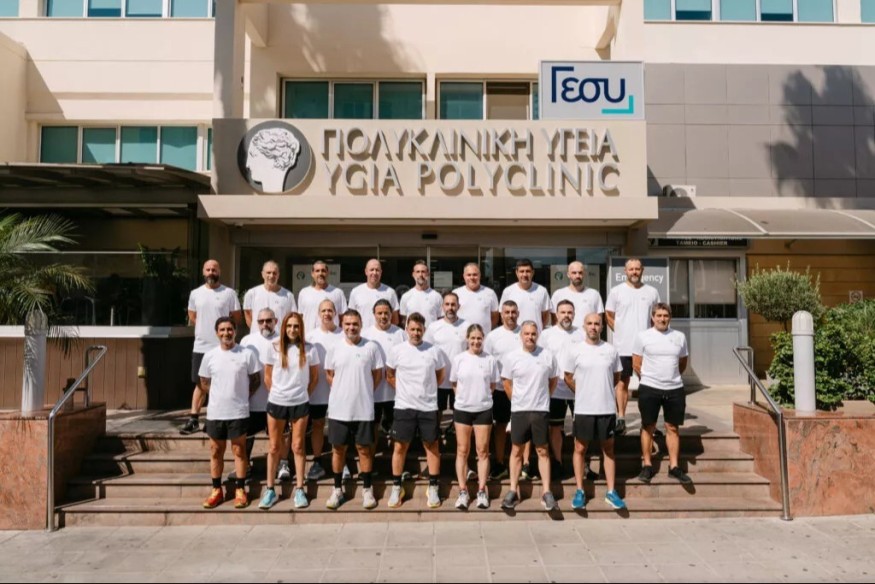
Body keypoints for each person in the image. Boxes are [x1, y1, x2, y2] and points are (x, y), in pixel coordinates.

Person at [564, 312, 626, 511]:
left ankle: (611, 492)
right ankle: (580, 491)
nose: (593, 327)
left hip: (606, 408)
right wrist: (583, 391)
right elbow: (567, 376)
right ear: (584, 326)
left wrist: (602, 390)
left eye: (597, 323)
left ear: (602, 327)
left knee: (608, 449)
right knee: (580, 449)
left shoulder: (610, 350)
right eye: (589, 323)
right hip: (584, 409)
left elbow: (616, 376)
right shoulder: (575, 350)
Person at [386, 312, 449, 509]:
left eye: (419, 329)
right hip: (404, 406)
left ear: (424, 330)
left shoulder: (434, 351)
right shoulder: (397, 351)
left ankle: (433, 486)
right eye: (412, 329)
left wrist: (426, 391)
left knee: (432, 446)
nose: (415, 333)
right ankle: (397, 487)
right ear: (406, 329)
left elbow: (440, 375)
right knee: (399, 447)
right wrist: (404, 390)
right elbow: (389, 374)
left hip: (428, 407)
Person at [323, 309, 384, 510]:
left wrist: (362, 391)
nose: (351, 327)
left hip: (363, 409)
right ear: (342, 325)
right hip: (339, 409)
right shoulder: (334, 347)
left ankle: (367, 489)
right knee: (338, 449)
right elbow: (329, 374)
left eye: (355, 324)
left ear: (361, 325)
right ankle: (337, 489)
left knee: (364, 450)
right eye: (347, 324)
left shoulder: (371, 347)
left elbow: (376, 376)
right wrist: (342, 390)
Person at [199, 317, 261, 510]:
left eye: (229, 329)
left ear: (235, 331)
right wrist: (219, 396)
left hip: (238, 412)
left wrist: (242, 396)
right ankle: (216, 490)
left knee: (239, 450)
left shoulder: (247, 354)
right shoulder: (209, 356)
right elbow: (204, 382)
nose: (226, 333)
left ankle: (240, 490)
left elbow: (256, 380)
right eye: (222, 330)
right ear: (217, 332)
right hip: (216, 412)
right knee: (216, 451)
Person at [260, 313, 320, 510]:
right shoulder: (274, 347)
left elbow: (314, 378)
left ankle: (300, 489)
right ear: (283, 328)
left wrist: (302, 394)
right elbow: (267, 376)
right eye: (289, 326)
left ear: (301, 328)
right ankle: (270, 490)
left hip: (300, 403)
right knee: (274, 447)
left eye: (296, 326)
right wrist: (278, 393)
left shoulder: (310, 349)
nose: (292, 330)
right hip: (277, 402)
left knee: (298, 446)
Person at [500, 321, 560, 511]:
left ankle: (547, 492)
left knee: (542, 450)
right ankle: (512, 490)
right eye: (526, 334)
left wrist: (544, 397)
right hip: (519, 411)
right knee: (516, 450)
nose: (530, 337)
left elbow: (553, 380)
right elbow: (506, 382)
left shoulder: (547, 356)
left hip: (540, 410)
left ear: (537, 335)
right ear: (521, 336)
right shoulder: (512, 357)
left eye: (533, 334)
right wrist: (517, 401)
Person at [181, 260, 242, 435]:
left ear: (219, 271)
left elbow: (236, 317)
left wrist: (224, 335)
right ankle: (194, 419)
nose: (211, 272)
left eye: (214, 269)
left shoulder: (229, 293)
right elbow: (193, 316)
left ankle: (213, 419)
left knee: (221, 383)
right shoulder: (195, 293)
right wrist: (205, 329)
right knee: (200, 384)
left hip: (222, 347)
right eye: (208, 269)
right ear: (203, 272)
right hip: (201, 346)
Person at [633, 303, 691, 485]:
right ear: (652, 317)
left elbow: (682, 362)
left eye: (665, 315)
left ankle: (674, 467)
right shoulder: (643, 336)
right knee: (648, 426)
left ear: (670, 317)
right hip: (649, 388)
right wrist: (650, 379)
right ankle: (647, 465)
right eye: (658, 315)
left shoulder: (679, 337)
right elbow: (636, 363)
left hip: (674, 389)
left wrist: (670, 377)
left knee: (672, 427)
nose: (662, 319)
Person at [605, 258, 660, 435]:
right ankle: (621, 419)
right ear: (625, 271)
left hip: (646, 349)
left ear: (642, 270)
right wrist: (620, 331)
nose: (634, 272)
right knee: (622, 383)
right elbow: (609, 315)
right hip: (623, 347)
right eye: (631, 269)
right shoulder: (616, 291)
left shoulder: (652, 292)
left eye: (637, 269)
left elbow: (656, 316)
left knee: (648, 385)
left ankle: (649, 422)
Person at [450, 324, 499, 510]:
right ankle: (463, 491)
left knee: (482, 451)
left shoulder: (490, 360)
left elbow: (492, 385)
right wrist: (464, 398)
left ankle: (481, 490)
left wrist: (481, 398)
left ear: (483, 339)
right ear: (467, 339)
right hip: (463, 409)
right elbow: (454, 383)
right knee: (462, 450)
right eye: (473, 338)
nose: (476, 341)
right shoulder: (459, 359)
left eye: (479, 338)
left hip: (483, 409)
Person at [537, 299, 584, 480]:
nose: (566, 316)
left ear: (574, 314)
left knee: (581, 427)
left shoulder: (581, 333)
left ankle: (583, 463)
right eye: (563, 312)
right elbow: (541, 360)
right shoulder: (547, 335)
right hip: (556, 389)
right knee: (555, 427)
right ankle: (557, 462)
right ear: (556, 314)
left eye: (569, 312)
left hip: (578, 388)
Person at [236, 308, 279, 483]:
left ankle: (280, 466)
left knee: (277, 438)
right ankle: (245, 467)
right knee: (248, 437)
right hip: (252, 399)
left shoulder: (282, 339)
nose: (265, 324)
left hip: (276, 400)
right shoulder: (247, 340)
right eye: (261, 321)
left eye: (268, 320)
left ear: (275, 321)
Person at [362, 299, 408, 455]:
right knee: (372, 428)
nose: (383, 316)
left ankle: (395, 464)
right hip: (373, 392)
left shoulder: (400, 334)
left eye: (386, 313)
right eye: (379, 313)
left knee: (396, 428)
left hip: (395, 392)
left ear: (391, 314)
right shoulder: (366, 334)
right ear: (374, 314)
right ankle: (371, 461)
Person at [483, 300, 521, 480]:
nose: (510, 315)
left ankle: (524, 465)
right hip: (500, 388)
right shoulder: (493, 336)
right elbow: (486, 363)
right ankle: (499, 463)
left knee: (523, 427)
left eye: (513, 312)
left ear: (518, 313)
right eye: (507, 312)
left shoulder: (524, 332)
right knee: (500, 426)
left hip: (523, 389)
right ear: (501, 314)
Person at [306, 299, 344, 482]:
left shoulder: (344, 333)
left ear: (335, 313)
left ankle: (342, 462)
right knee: (318, 424)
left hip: (340, 389)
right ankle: (317, 461)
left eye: (330, 310)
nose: (327, 314)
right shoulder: (310, 336)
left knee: (341, 426)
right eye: (323, 310)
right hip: (317, 389)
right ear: (318, 314)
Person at [423, 292, 468, 437]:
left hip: (459, 379)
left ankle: (456, 435)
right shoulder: (434, 327)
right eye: (447, 304)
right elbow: (426, 351)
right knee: (437, 410)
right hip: (439, 378)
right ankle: (434, 436)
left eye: (453, 304)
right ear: (442, 307)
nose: (450, 308)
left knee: (459, 410)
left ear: (458, 306)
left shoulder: (466, 326)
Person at [499, 259, 551, 332]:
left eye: (528, 271)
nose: (525, 274)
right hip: (514, 335)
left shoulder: (542, 291)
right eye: (521, 271)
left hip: (535, 335)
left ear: (533, 272)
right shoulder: (508, 291)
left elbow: (545, 316)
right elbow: (503, 315)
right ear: (516, 273)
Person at [348, 258, 400, 330]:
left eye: (377, 270)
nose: (374, 273)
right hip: (362, 334)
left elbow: (395, 320)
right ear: (366, 272)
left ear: (381, 272)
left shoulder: (390, 292)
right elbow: (351, 317)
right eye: (372, 270)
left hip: (384, 335)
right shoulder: (356, 292)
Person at [242, 260, 296, 329]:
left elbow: (292, 318)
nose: (271, 276)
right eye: (268, 272)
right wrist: (256, 331)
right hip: (258, 335)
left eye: (274, 273)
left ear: (278, 275)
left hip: (279, 335)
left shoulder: (288, 296)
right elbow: (248, 316)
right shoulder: (252, 293)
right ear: (262, 274)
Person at [550, 261, 604, 328]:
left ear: (584, 274)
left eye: (580, 273)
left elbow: (599, 319)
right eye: (574, 273)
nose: (577, 276)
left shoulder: (594, 294)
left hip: (586, 334)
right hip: (565, 334)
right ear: (568, 274)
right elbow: (554, 320)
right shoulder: (558, 294)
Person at [298, 260, 347, 333]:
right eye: (317, 271)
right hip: (309, 337)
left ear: (327, 273)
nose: (320, 273)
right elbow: (300, 318)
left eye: (323, 271)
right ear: (312, 274)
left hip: (332, 336)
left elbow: (343, 318)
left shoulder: (338, 293)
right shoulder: (304, 293)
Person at [453, 263, 500, 332]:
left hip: (484, 337)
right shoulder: (456, 293)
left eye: (475, 275)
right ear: (464, 276)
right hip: (461, 336)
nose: (472, 277)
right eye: (469, 275)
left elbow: (495, 316)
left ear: (480, 275)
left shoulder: (490, 293)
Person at [399, 260, 443, 327]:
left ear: (428, 274)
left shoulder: (437, 296)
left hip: (431, 333)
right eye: (418, 272)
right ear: (413, 274)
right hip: (411, 334)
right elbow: (403, 320)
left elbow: (441, 320)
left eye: (423, 272)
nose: (420, 275)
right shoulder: (406, 296)